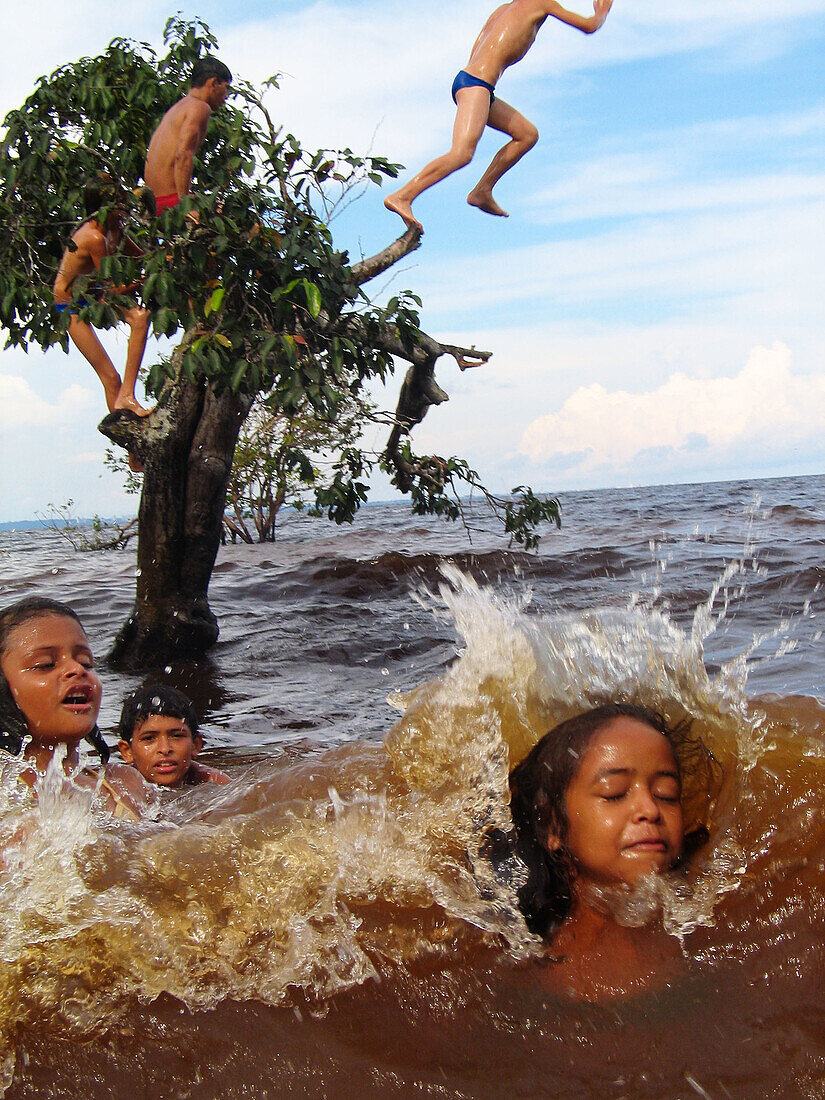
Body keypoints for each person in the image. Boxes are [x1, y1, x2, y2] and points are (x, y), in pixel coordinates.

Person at [507, 703, 712, 997]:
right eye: (614, 793)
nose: (650, 809)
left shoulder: (708, 920)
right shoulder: (525, 956)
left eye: (667, 794)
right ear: (553, 825)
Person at [384, 0, 613, 232]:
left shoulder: (503, 9)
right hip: (477, 84)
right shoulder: (543, 2)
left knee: (527, 134)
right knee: (461, 153)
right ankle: (403, 196)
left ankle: (482, 190)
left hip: (471, 82)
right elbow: (589, 26)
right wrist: (601, 12)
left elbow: (478, 49)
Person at [0, 596, 147, 820]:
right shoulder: (6, 793)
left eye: (85, 662)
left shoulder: (123, 782)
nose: (76, 669)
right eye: (45, 665)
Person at [53, 179, 152, 424]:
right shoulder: (93, 237)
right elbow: (115, 289)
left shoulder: (115, 229)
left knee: (140, 318)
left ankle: (126, 397)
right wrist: (144, 280)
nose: (123, 207)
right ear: (102, 206)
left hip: (95, 293)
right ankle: (126, 407)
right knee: (110, 377)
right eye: (117, 202)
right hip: (71, 306)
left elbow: (143, 257)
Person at [144, 56, 232, 214]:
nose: (226, 96)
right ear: (213, 83)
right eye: (226, 88)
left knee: (216, 205)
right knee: (239, 218)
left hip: (152, 203)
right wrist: (185, 206)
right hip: (169, 203)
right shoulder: (200, 107)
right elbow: (183, 154)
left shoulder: (178, 108)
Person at [117, 684, 230, 788]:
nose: (165, 749)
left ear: (195, 745)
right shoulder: (117, 787)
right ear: (127, 751)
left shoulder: (214, 783)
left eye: (176, 736)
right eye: (149, 738)